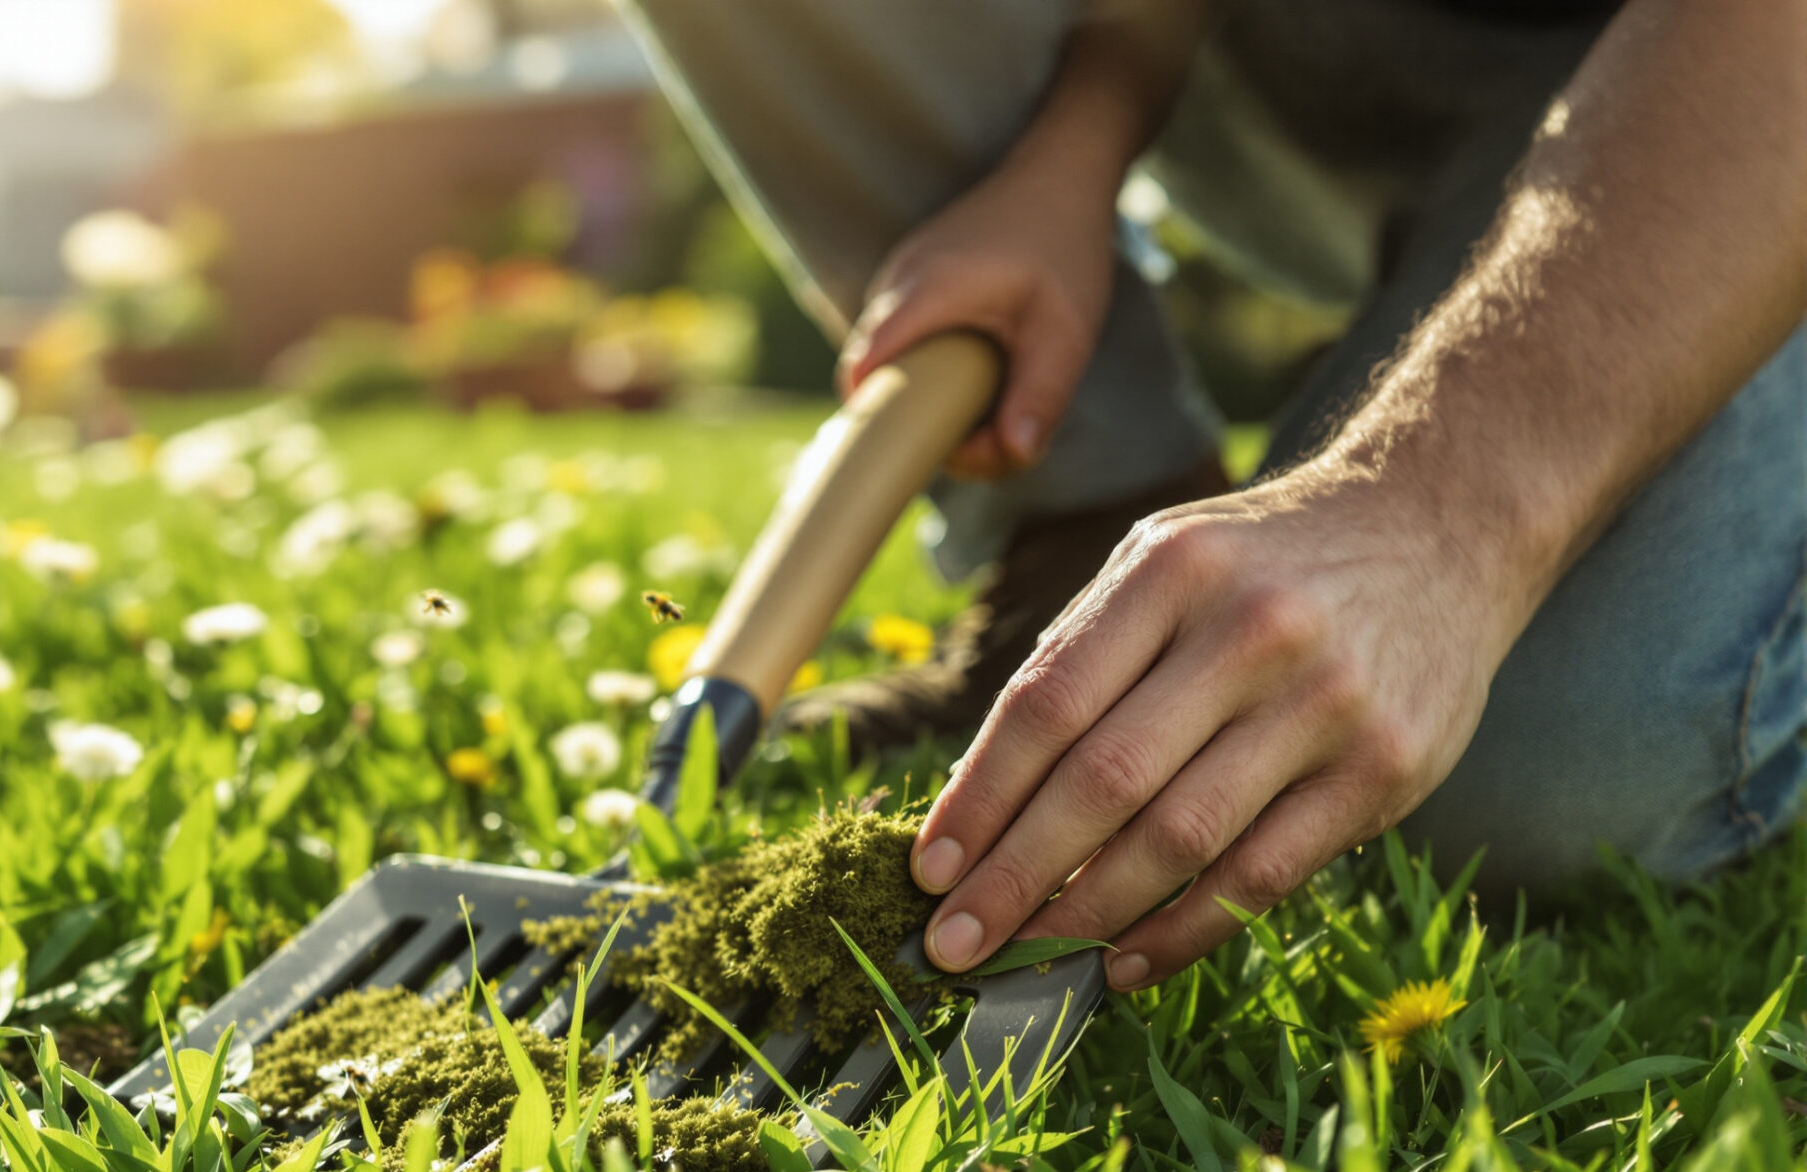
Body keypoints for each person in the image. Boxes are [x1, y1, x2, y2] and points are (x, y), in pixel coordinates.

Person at [621, 0, 1806, 993]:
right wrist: (1063, 151)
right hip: (1289, 77)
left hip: (1730, 110)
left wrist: (1441, 520)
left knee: (1524, 780)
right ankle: (1080, 537)